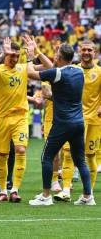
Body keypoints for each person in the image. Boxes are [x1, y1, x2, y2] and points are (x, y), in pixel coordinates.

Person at [25, 38, 95, 206]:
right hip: (79, 122)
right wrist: (39, 53)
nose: (54, 56)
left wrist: (30, 57)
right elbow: (55, 71)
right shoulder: (79, 72)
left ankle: (46, 196)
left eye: (56, 54)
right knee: (80, 160)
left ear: (61, 57)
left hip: (62, 123)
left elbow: (30, 73)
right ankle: (87, 197)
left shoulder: (57, 73)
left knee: (47, 157)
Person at [0, 37, 52, 203]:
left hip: (20, 118)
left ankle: (14, 189)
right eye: (11, 55)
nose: (14, 58)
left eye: (16, 55)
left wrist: (36, 52)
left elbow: (50, 67)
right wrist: (2, 54)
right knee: (2, 154)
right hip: (2, 118)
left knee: (20, 150)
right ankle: (2, 191)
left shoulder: (24, 68)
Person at [54, 41, 101, 202]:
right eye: (84, 50)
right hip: (74, 118)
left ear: (95, 52)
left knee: (90, 156)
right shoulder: (74, 70)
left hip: (94, 120)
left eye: (90, 50)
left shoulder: (100, 72)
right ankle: (66, 190)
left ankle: (89, 193)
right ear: (79, 52)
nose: (86, 52)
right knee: (68, 154)